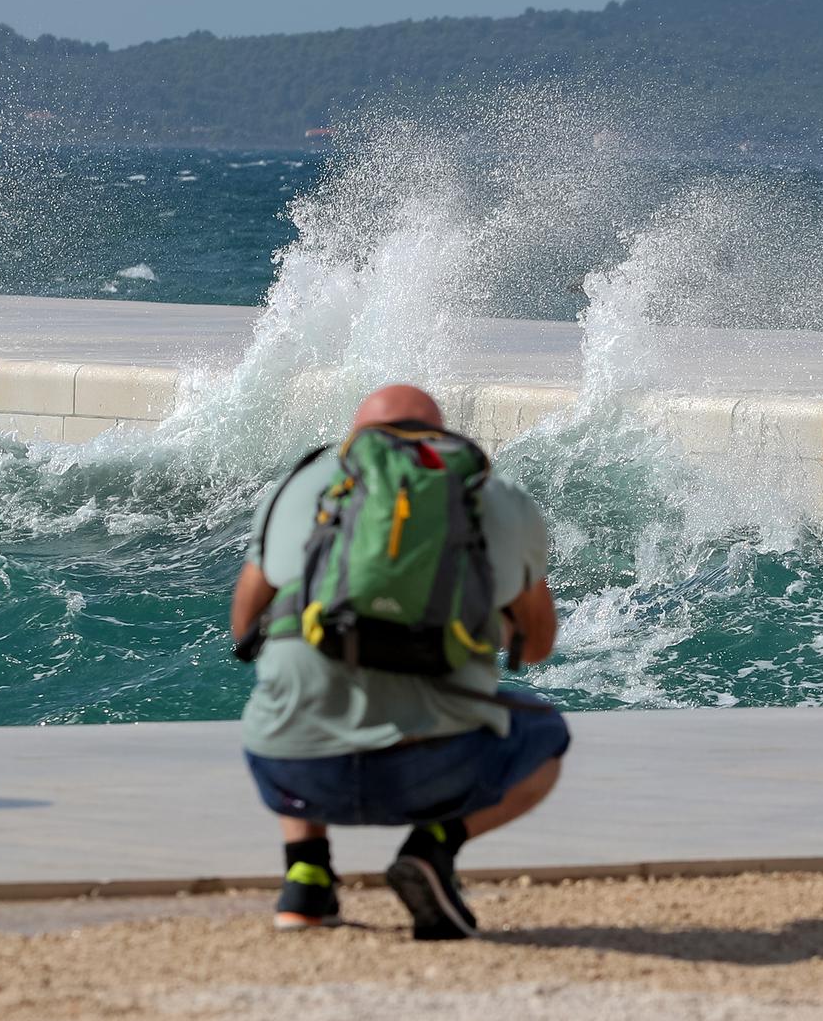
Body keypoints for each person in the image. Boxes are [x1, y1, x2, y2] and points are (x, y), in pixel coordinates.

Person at [230, 384, 569, 940]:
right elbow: (537, 648)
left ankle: (306, 880)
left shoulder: (299, 487)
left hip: (293, 769)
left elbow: (244, 631)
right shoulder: (498, 498)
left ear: (356, 439)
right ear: (441, 436)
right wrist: (487, 624)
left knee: (294, 666)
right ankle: (432, 850)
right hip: (432, 775)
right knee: (545, 737)